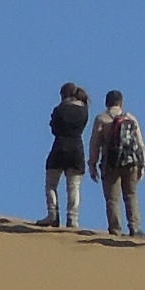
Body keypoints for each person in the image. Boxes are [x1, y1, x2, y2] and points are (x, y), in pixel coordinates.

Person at [96, 92, 145, 237]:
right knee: (131, 195)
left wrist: (92, 164)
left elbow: (95, 144)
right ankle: (135, 227)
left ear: (106, 102)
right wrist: (143, 164)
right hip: (131, 162)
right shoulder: (130, 118)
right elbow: (140, 143)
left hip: (111, 163)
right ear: (121, 102)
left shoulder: (102, 119)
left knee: (112, 199)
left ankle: (115, 229)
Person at [44, 84, 91, 228]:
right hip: (77, 149)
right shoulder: (84, 111)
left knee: (51, 184)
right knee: (74, 186)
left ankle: (52, 215)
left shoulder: (59, 109)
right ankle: (73, 218)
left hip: (59, 147)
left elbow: (53, 127)